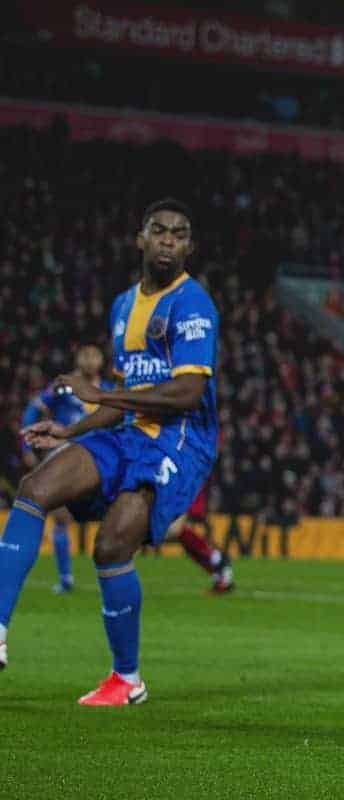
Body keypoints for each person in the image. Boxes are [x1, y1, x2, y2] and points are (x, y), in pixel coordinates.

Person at [4, 198, 219, 705]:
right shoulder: (124, 306)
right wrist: (69, 432)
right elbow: (125, 393)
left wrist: (102, 395)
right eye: (159, 231)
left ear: (189, 247)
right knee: (36, 488)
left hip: (181, 439)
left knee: (112, 545)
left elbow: (187, 394)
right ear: (140, 239)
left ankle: (127, 677)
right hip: (130, 430)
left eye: (179, 234)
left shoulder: (193, 304)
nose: (169, 240)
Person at [19, 345, 112, 594]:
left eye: (95, 355)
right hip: (64, 452)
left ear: (101, 361)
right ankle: (66, 577)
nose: (90, 360)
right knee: (61, 516)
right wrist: (26, 444)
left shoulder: (108, 389)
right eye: (86, 355)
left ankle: (114, 573)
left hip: (103, 457)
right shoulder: (64, 385)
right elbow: (33, 408)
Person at [168, 477, 235, 594]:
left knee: (176, 530)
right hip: (180, 480)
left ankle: (217, 559)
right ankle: (218, 569)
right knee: (178, 533)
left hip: (186, 479)